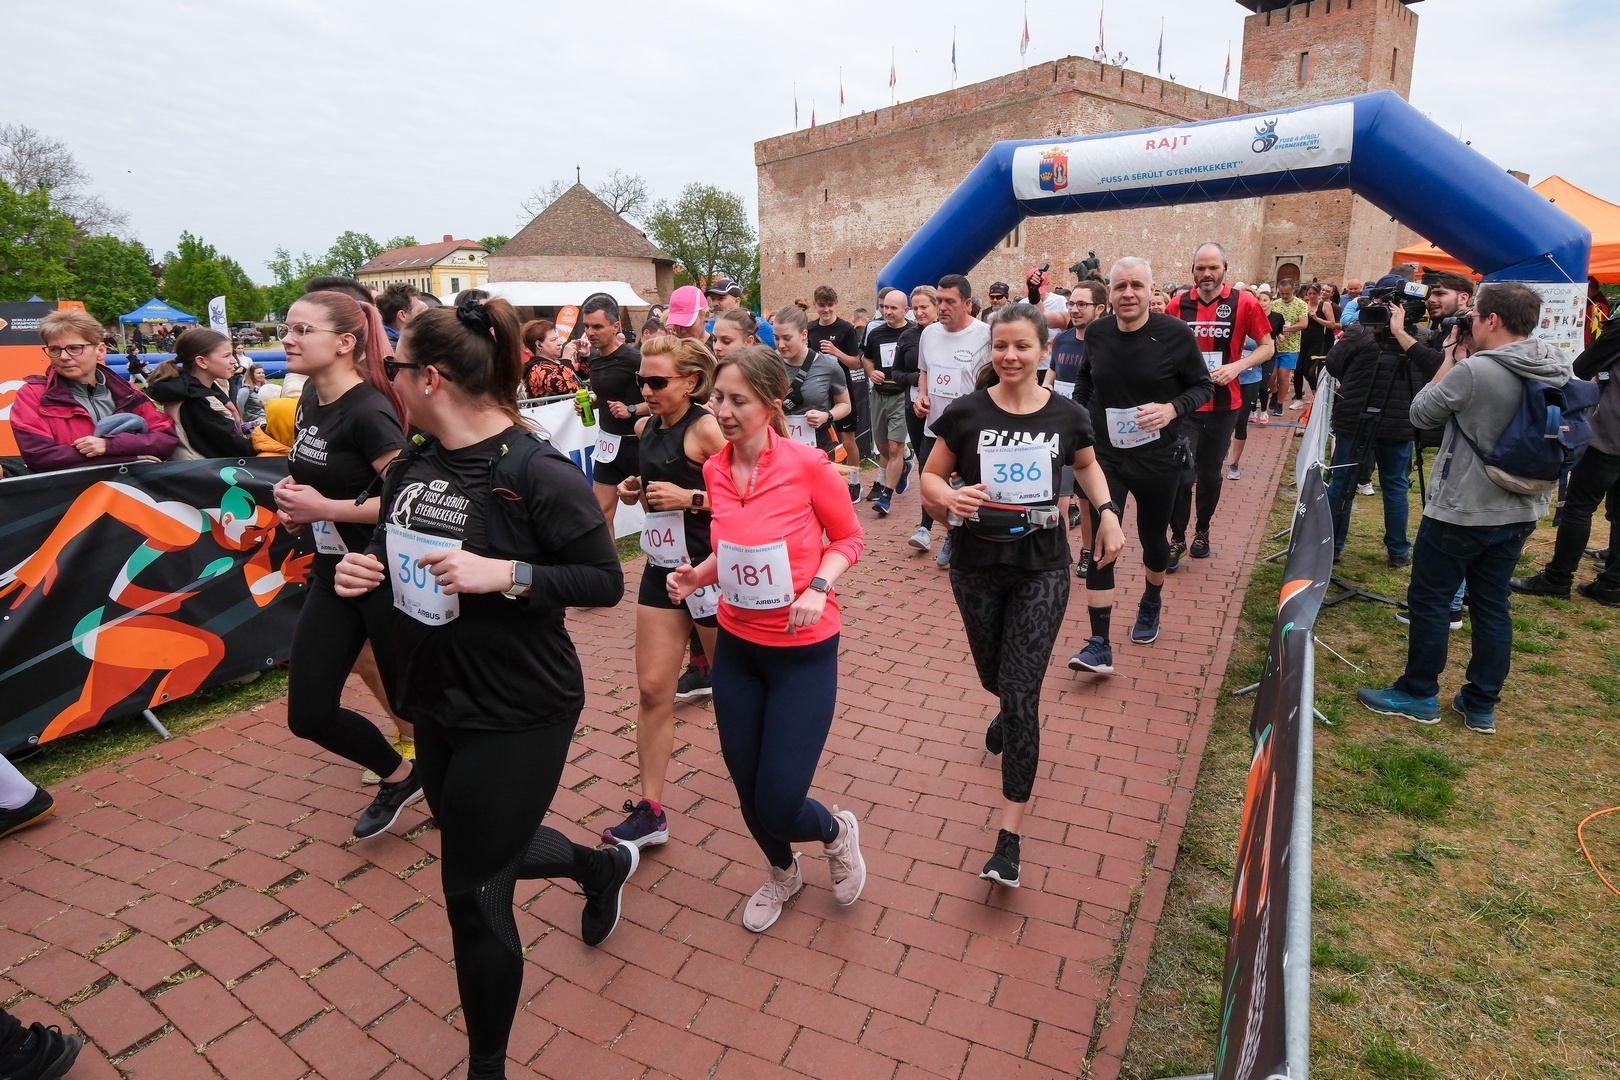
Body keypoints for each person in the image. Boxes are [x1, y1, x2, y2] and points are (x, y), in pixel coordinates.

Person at [334, 296, 633, 1080]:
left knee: (473, 892)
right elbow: (392, 548)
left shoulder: (536, 470)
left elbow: (603, 581)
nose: (387, 378)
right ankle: (597, 868)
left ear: (429, 377)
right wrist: (362, 570)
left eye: (393, 366)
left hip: (519, 705)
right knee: (473, 840)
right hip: (437, 696)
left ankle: (487, 1067)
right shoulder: (413, 461)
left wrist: (505, 574)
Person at [665, 346, 866, 933]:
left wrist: (818, 588)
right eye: (717, 399)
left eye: (738, 400)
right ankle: (782, 871)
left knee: (779, 800)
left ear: (774, 403)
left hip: (803, 651)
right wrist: (698, 575)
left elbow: (848, 538)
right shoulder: (714, 469)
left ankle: (835, 832)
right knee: (747, 785)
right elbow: (733, 548)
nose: (723, 411)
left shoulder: (809, 465)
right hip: (738, 647)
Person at [923, 303, 1124, 886]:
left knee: (1020, 693)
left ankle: (1008, 838)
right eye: (1001, 346)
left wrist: (1108, 513)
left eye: (1022, 347)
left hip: (1042, 567)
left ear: (1043, 351)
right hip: (975, 565)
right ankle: (1006, 711)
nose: (1010, 356)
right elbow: (932, 475)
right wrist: (947, 497)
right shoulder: (966, 413)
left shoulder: (1068, 415)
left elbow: (1087, 467)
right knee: (995, 677)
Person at [1358, 283, 1573, 735]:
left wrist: (1450, 358)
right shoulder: (1556, 364)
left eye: (1474, 315)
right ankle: (1481, 704)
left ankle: (1418, 693)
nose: (1469, 322)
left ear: (1492, 320)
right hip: (1522, 505)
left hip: (1464, 506)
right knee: (1492, 603)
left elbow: (1421, 413)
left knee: (1431, 599)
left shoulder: (1476, 370)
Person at [274, 290, 416, 838]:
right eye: (288, 329)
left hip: (385, 577)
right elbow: (322, 476)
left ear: (344, 343)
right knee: (308, 713)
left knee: (417, 701)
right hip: (334, 573)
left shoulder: (369, 410)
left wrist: (325, 508)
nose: (288, 340)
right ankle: (401, 776)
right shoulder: (311, 395)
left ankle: (470, 796)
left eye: (301, 330)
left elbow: (410, 499)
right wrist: (298, 508)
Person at [604, 337, 725, 848]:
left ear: (691, 382)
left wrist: (691, 497)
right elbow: (656, 483)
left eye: (657, 382)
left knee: (733, 688)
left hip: (711, 571)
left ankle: (767, 780)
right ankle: (650, 810)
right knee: (654, 690)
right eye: (642, 382)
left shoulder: (708, 429)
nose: (646, 391)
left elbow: (749, 494)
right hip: (661, 569)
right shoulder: (645, 427)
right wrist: (634, 487)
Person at [1068, 258, 1213, 674]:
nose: (1128, 293)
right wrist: (1077, 415)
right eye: (1120, 286)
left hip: (1158, 459)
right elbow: (1087, 379)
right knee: (1103, 536)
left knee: (1153, 540)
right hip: (1107, 457)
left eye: (1136, 286)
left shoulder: (1175, 334)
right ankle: (1099, 643)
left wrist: (1171, 409)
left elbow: (1202, 386)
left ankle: (1151, 600)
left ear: (1151, 292)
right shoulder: (1097, 333)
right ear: (1110, 295)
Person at [1322, 274, 1446, 564]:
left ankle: (1332, 545)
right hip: (1396, 423)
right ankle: (1398, 551)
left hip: (1357, 419)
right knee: (1395, 485)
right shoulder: (1423, 338)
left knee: (1344, 480)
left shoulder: (1361, 331)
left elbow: (1334, 364)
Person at [1168, 242, 1275, 564]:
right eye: (1200, 268)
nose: (1206, 273)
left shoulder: (1245, 302)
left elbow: (1267, 347)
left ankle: (1202, 530)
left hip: (1224, 405)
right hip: (1185, 406)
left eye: (1213, 267)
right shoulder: (1177, 305)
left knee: (1210, 474)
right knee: (1181, 475)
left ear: (1224, 269)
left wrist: (1238, 366)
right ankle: (1177, 538)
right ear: (1192, 270)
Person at [1511, 320, 1620, 606]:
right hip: (1612, 432)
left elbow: (1582, 366)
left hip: (1610, 434)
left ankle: (1557, 579)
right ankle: (1612, 585)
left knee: (1578, 508)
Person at [14, 310, 178, 472]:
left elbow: (165, 440)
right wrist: (126, 457)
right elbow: (40, 458)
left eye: (74, 348)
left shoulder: (128, 392)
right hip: (69, 489)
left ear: (100, 351)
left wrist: (110, 445)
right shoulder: (33, 395)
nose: (63, 356)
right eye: (54, 349)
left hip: (126, 488)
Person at [915, 274, 993, 568]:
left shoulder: (985, 335)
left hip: (973, 431)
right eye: (939, 301)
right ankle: (953, 533)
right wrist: (922, 396)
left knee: (974, 493)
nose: (942, 307)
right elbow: (924, 371)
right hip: (935, 429)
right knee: (930, 494)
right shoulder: (929, 333)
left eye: (950, 301)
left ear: (967, 304)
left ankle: (981, 543)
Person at [578, 294, 644, 531]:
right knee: (601, 513)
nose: (590, 332)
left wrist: (632, 409)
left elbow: (662, 400)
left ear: (615, 327)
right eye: (586, 326)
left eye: (597, 326)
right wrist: (591, 403)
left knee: (655, 514)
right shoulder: (594, 358)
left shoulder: (634, 359)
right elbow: (605, 395)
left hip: (638, 444)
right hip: (607, 445)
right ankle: (609, 558)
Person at [147, 329, 257, 459]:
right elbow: (232, 447)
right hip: (205, 469)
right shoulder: (193, 400)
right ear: (201, 362)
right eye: (226, 356)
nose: (234, 361)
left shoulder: (193, 390)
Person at [806, 285, 866, 498]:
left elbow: (856, 363)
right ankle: (820, 482)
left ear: (836, 304)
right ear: (815, 304)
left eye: (830, 305)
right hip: (818, 390)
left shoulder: (845, 328)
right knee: (817, 439)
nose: (826, 310)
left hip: (842, 390)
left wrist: (836, 352)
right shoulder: (810, 329)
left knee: (847, 439)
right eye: (822, 305)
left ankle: (855, 482)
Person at [771, 304, 852, 459]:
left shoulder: (828, 366)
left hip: (819, 447)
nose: (781, 345)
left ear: (804, 334)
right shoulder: (769, 365)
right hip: (780, 446)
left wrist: (826, 416)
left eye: (787, 338)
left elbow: (845, 405)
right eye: (776, 338)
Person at [861, 287, 914, 514]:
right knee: (882, 447)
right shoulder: (876, 333)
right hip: (879, 395)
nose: (887, 312)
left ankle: (886, 496)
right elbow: (866, 358)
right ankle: (904, 464)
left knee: (895, 447)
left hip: (902, 395)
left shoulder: (914, 333)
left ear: (905, 310)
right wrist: (871, 371)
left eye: (893, 308)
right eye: (884, 307)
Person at [897, 285, 939, 552]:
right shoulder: (909, 335)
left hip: (946, 409)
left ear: (937, 306)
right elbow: (895, 372)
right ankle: (925, 527)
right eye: (916, 307)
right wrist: (917, 378)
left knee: (954, 468)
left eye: (925, 307)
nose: (920, 312)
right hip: (915, 406)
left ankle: (957, 524)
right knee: (926, 466)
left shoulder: (946, 334)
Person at [1267, 278, 1309, 414]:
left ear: (1293, 291)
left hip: (1291, 347)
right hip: (1274, 346)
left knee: (1283, 376)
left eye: (1287, 293)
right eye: (1282, 293)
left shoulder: (1301, 304)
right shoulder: (1274, 304)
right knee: (1270, 376)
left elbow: (1304, 324)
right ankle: (1275, 392)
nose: (1284, 296)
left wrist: (1285, 329)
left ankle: (1279, 404)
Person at [705, 276, 775, 348]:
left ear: (737, 301)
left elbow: (779, 349)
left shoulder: (758, 324)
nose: (715, 304)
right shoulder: (706, 325)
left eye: (721, 298)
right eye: (713, 299)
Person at [520, 319, 579, 399]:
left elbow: (581, 372)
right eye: (553, 340)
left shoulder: (554, 363)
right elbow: (566, 388)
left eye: (557, 339)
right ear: (539, 345)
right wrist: (566, 359)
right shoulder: (538, 369)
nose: (559, 343)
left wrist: (585, 355)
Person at [376, 282, 428, 349]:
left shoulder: (380, 338)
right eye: (419, 311)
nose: (424, 315)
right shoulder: (395, 350)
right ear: (402, 315)